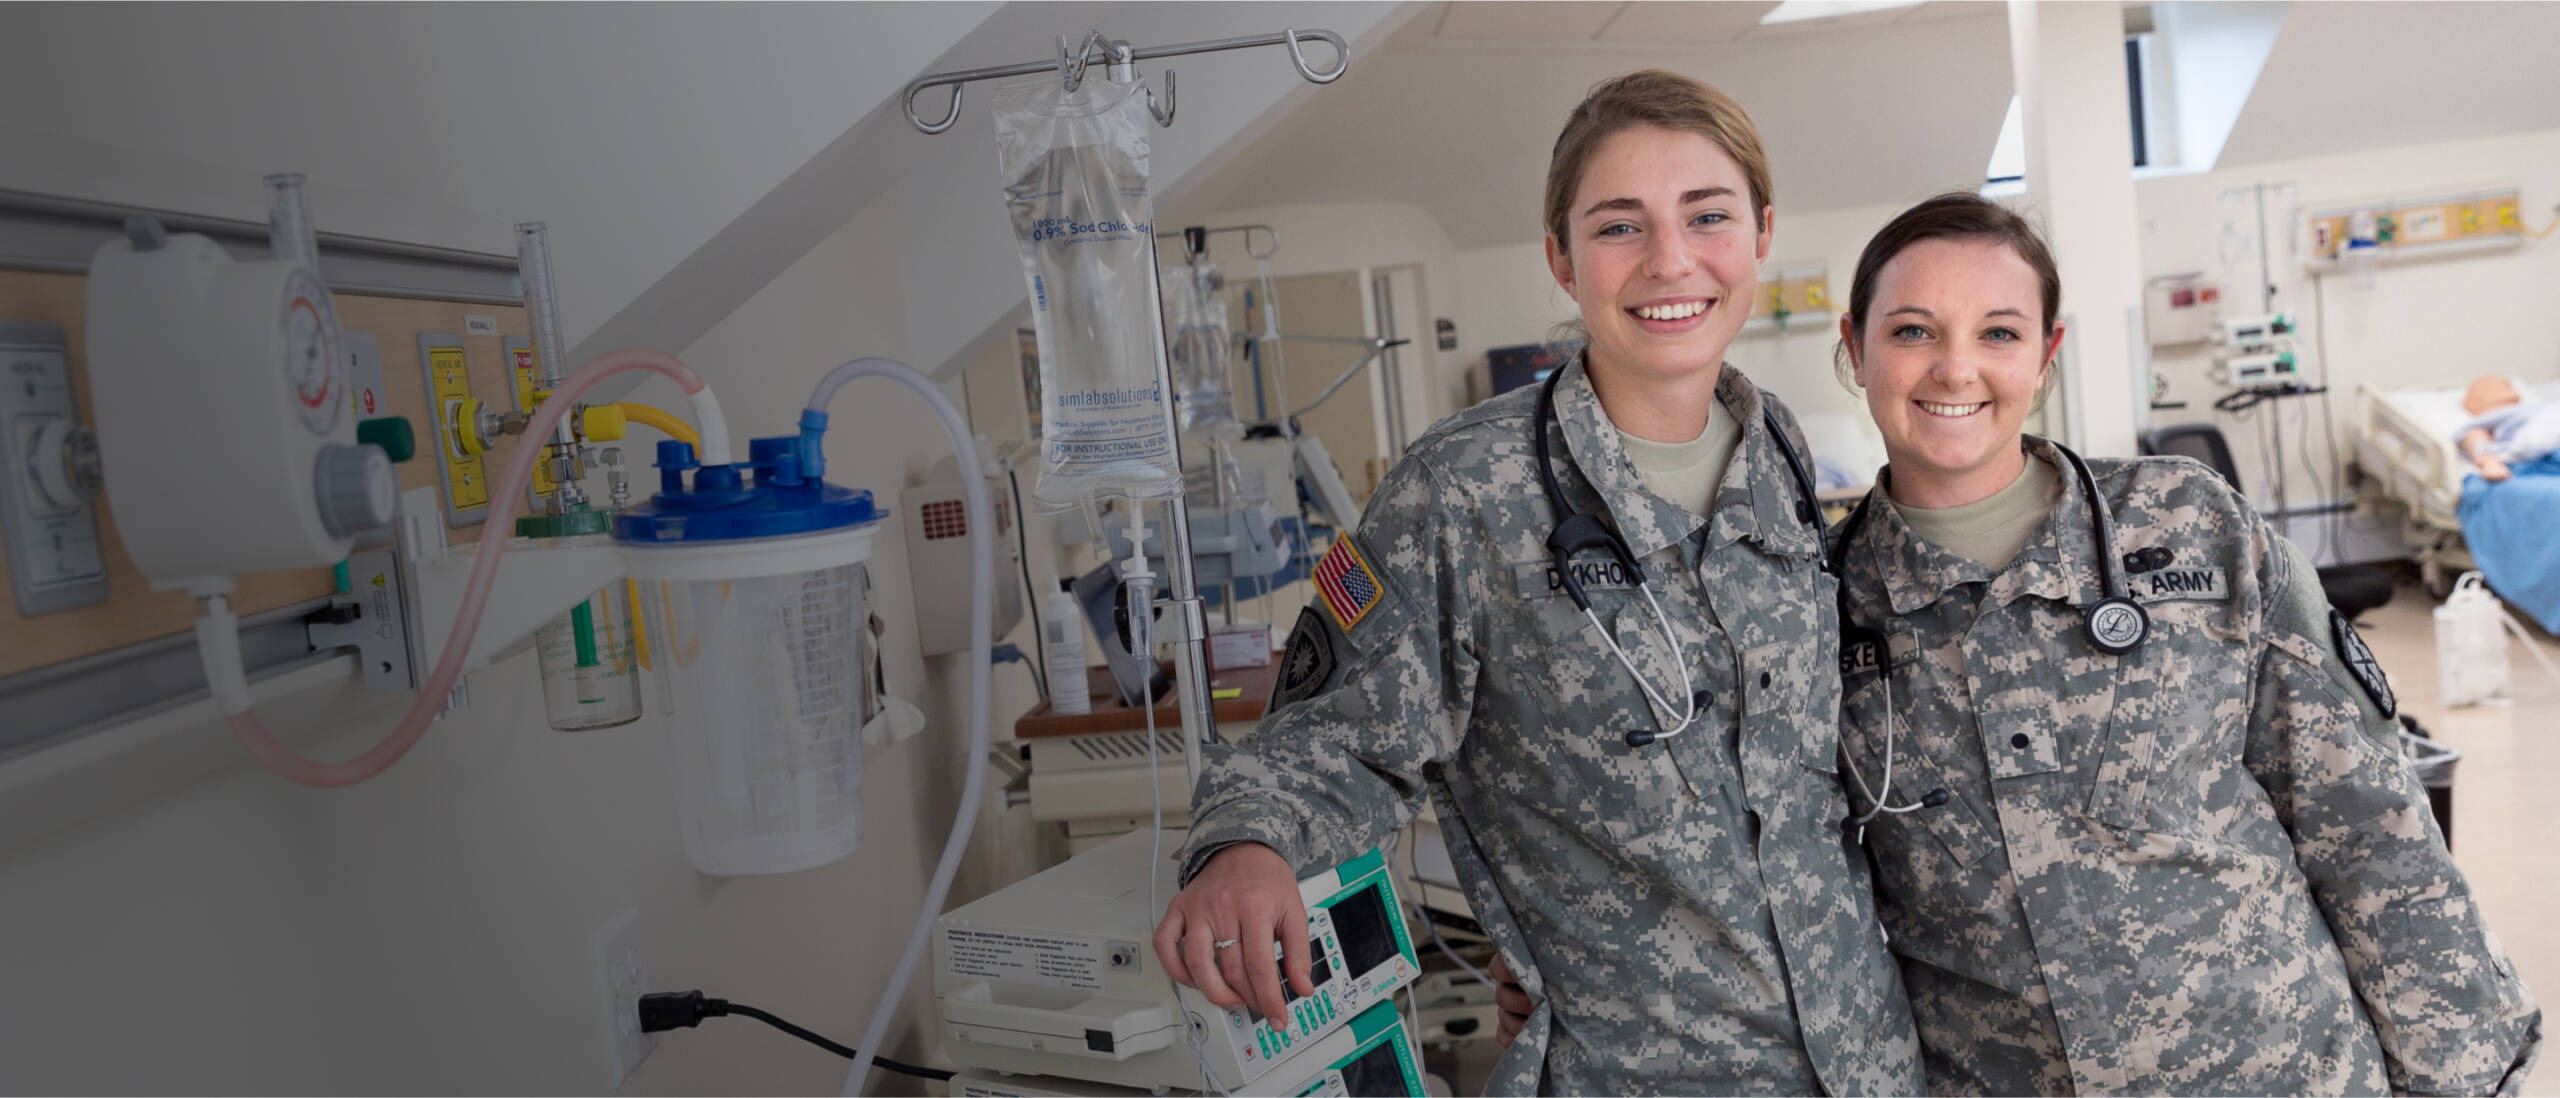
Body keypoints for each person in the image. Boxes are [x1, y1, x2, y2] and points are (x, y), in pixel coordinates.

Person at [1152, 70, 1921, 1095]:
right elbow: (1330, 736)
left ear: (1761, 232)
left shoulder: (1774, 445)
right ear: (1560, 258)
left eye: (1707, 216)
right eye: (1618, 227)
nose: (1669, 260)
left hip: (1864, 1061)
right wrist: (1242, 847)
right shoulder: (1465, 492)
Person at [1823, 192, 2541, 1095]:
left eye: (2000, 334)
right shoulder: (1820, 607)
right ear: (1854, 348)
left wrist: (2468, 1078)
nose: (1957, 368)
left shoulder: (2190, 525)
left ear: (2048, 354)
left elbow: (2369, 824)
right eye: (1914, 332)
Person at [2455, 374, 2560, 482]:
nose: (2507, 384)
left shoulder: (2534, 407)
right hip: (2549, 450)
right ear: (2476, 399)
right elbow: (2472, 436)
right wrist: (2489, 462)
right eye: (2496, 384)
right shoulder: (2490, 416)